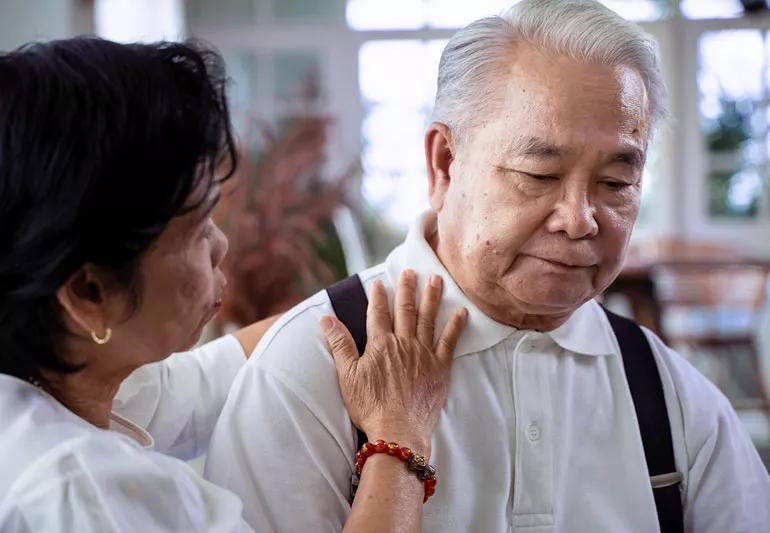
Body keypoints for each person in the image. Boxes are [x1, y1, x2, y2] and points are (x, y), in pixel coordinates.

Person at [204, 1, 770, 532]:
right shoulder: (309, 368)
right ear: (445, 163)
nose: (580, 219)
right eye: (540, 175)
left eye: (616, 183)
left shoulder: (670, 394)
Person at [0, 37, 467, 532]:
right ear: (90, 293)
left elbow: (206, 377)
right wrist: (399, 435)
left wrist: (386, 289)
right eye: (198, 228)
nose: (221, 244)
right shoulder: (85, 493)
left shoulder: (60, 390)